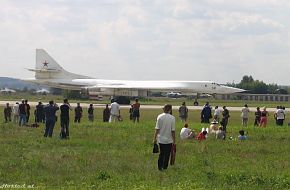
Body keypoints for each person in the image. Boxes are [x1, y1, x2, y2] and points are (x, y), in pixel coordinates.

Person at [153, 104, 176, 171]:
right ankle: (165, 167)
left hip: (160, 139)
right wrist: (174, 140)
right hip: (169, 140)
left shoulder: (159, 117)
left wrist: (154, 138)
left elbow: (157, 129)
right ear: (170, 109)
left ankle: (159, 167)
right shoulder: (172, 118)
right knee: (167, 154)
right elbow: (173, 131)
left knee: (161, 153)